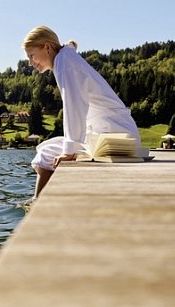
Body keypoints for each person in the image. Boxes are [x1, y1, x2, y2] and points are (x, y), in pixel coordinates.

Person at [23, 26, 141, 199]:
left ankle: (36, 206)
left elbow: (74, 106)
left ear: (47, 47)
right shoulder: (65, 59)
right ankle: (41, 202)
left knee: (45, 155)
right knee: (46, 149)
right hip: (116, 134)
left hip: (114, 136)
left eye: (31, 55)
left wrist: (69, 150)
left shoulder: (65, 63)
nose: (30, 63)